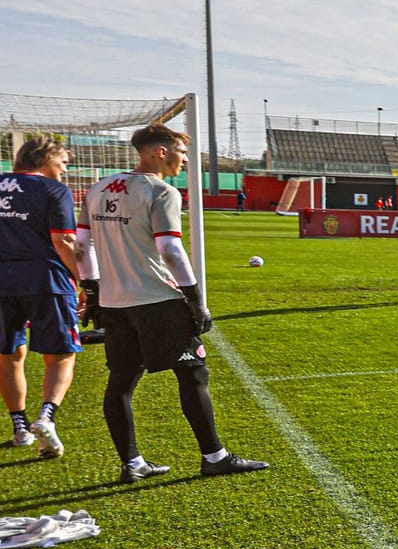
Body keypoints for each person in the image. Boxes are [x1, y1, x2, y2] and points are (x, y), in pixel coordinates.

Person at [79, 124, 267, 482]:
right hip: (157, 300)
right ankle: (215, 456)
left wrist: (92, 293)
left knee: (120, 382)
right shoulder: (161, 191)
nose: (185, 159)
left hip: (115, 303)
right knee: (194, 375)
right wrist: (197, 301)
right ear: (159, 152)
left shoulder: (98, 189)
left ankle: (131, 464)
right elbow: (170, 249)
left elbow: (81, 246)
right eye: (181, 151)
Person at [1, 136, 83, 457]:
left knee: (8, 355)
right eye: (62, 162)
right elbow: (63, 240)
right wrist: (85, 280)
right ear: (46, 159)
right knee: (61, 354)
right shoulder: (53, 190)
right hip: (46, 279)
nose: (65, 169)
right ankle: (45, 417)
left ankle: (20, 427)